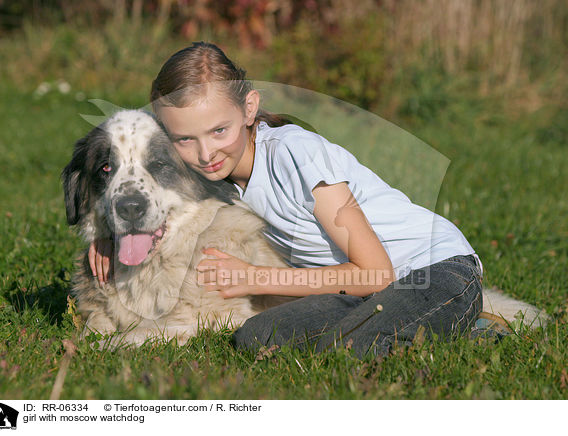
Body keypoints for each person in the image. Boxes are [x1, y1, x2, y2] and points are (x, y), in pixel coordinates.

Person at [89, 41, 484, 358]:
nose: (206, 153)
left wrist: (254, 277)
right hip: (364, 292)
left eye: (219, 130)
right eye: (185, 139)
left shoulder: (297, 155)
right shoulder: (213, 171)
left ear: (249, 107)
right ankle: (399, 325)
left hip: (433, 271)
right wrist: (115, 236)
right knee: (257, 337)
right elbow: (150, 195)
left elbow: (375, 273)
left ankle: (472, 329)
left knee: (352, 348)